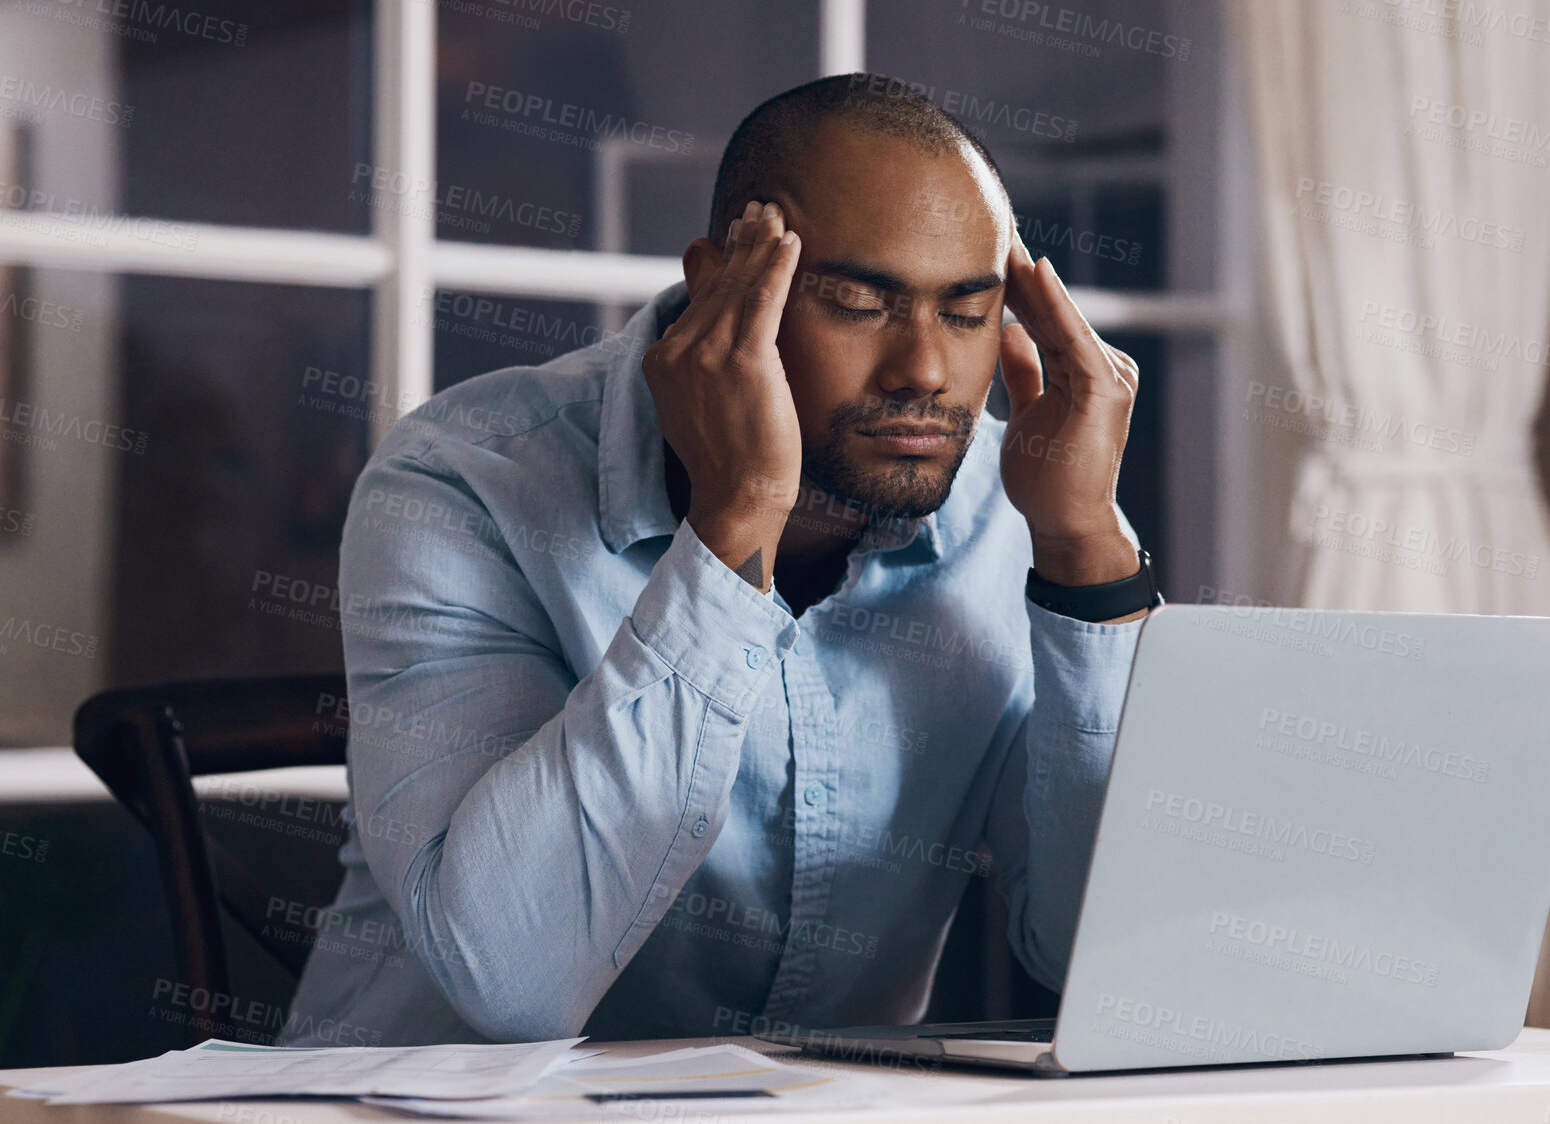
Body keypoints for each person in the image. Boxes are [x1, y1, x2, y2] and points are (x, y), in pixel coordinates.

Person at [281, 73, 1152, 1047]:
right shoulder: (463, 481)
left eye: (966, 311)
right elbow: (511, 983)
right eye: (861, 302)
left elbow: (1108, 960)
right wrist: (734, 526)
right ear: (721, 283)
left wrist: (1086, 556)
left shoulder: (1012, 508)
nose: (925, 371)